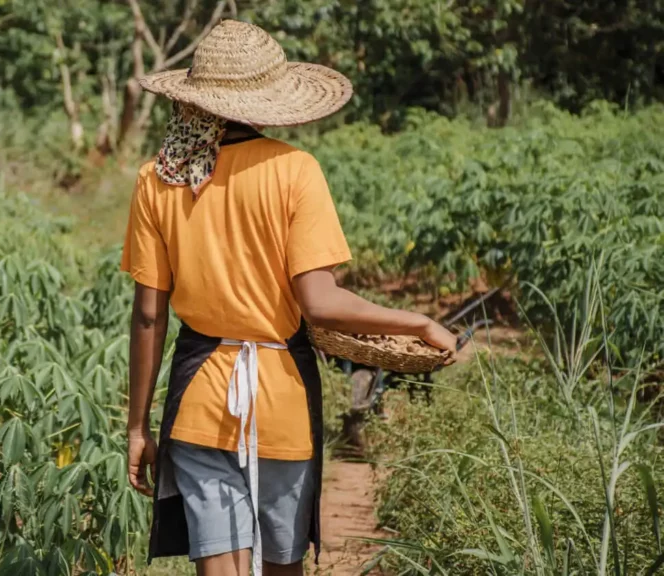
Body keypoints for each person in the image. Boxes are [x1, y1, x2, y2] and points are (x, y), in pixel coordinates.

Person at [121, 19, 457, 576]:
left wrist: (137, 429)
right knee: (282, 566)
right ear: (267, 101)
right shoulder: (294, 170)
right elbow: (320, 303)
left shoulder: (160, 178)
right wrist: (417, 322)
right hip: (281, 404)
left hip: (199, 400)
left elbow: (149, 313)